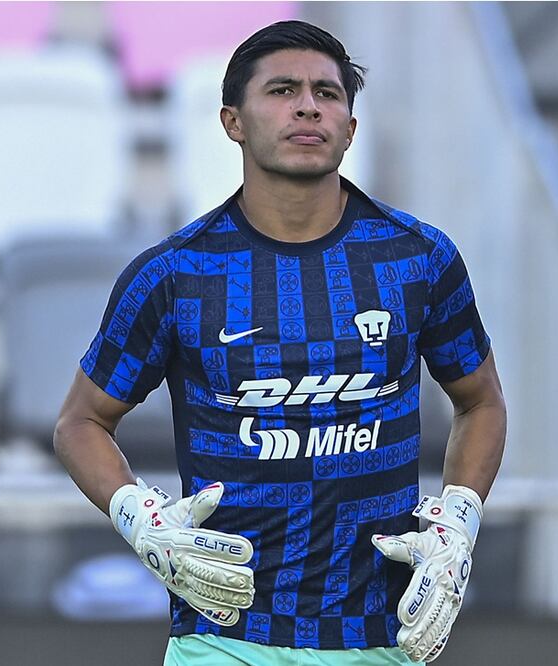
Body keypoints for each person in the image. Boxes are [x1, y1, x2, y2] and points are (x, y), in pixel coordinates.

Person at [54, 20, 507, 666]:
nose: (307, 106)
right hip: (222, 639)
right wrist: (140, 516)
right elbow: (80, 422)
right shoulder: (175, 273)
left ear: (350, 129)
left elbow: (481, 401)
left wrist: (458, 522)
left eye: (327, 93)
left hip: (380, 639)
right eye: (283, 90)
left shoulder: (419, 260)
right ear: (232, 122)